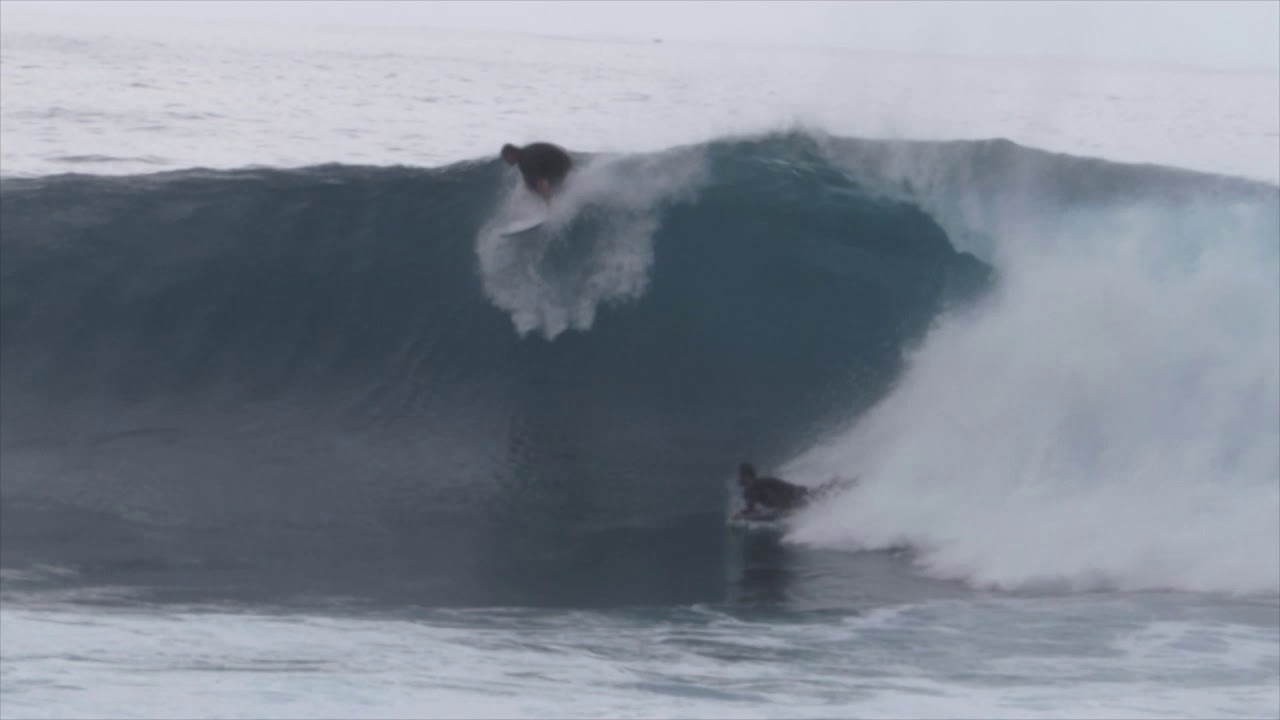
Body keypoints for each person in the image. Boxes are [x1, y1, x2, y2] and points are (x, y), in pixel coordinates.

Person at [501, 142, 572, 203]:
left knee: (538, 184)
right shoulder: (525, 154)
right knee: (530, 184)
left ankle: (551, 203)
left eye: (506, 158)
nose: (507, 162)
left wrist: (549, 205)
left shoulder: (527, 161)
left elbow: (542, 182)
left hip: (561, 164)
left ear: (511, 154)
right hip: (560, 160)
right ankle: (548, 199)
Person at [734, 462, 810, 519]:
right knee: (816, 496)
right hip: (797, 491)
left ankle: (792, 509)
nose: (739, 478)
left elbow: (751, 510)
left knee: (792, 510)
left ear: (746, 476)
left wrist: (740, 514)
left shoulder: (750, 489)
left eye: (741, 475)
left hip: (790, 498)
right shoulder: (761, 481)